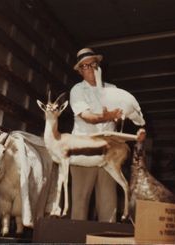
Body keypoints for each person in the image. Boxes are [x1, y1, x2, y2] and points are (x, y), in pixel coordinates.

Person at [69, 48, 123, 222]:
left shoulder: (113, 89)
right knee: (80, 201)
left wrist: (122, 117)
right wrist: (107, 116)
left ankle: (107, 239)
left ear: (98, 66)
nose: (89, 68)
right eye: (84, 66)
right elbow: (88, 118)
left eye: (93, 64)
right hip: (84, 149)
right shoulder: (77, 90)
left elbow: (122, 116)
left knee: (109, 202)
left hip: (108, 150)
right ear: (80, 71)